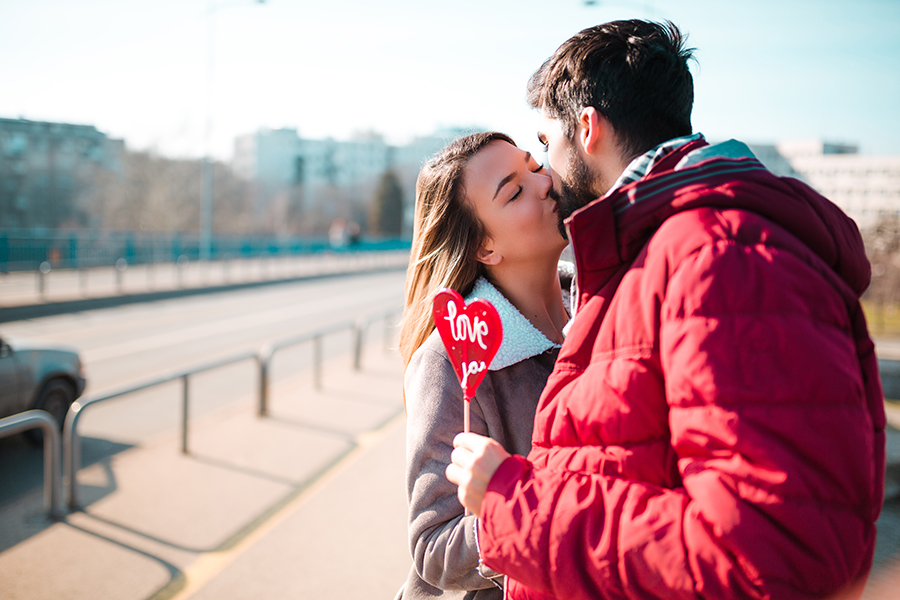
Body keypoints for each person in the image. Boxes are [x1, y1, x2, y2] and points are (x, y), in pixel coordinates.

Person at [446, 20, 886, 600]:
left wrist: (516, 504)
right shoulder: (659, 252)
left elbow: (767, 558)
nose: (546, 177)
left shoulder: (720, 258)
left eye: (546, 146)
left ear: (587, 128)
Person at [397, 131, 572, 599]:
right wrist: (515, 510)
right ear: (485, 248)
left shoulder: (606, 311)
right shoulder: (448, 361)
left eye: (535, 167)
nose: (545, 184)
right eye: (514, 192)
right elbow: (433, 548)